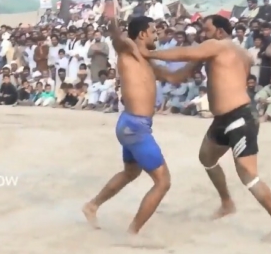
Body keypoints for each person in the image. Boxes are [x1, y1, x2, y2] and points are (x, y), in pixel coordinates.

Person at [140, 14, 271, 242]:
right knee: (206, 157)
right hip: (222, 119)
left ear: (220, 31)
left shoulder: (219, 46)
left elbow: (187, 52)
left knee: (247, 173)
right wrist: (153, 64)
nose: (203, 35)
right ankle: (227, 202)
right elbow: (180, 73)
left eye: (207, 30)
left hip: (240, 116)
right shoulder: (237, 53)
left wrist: (150, 53)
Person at [82, 15, 197, 238]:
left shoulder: (148, 62)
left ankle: (92, 205)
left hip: (131, 125)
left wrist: (199, 58)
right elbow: (118, 39)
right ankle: (132, 232)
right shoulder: (127, 51)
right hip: (135, 127)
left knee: (131, 172)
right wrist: (113, 24)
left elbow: (175, 78)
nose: (157, 35)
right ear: (143, 34)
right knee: (163, 182)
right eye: (154, 31)